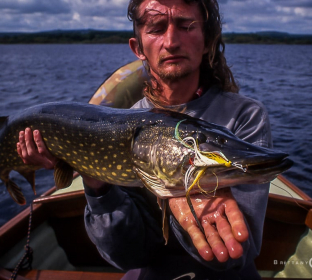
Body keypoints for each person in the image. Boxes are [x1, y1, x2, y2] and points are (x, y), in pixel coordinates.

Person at [17, 0, 272, 279]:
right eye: (157, 28)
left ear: (208, 41)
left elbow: (237, 256)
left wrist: (179, 193)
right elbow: (128, 255)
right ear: (138, 48)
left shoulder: (244, 116)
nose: (172, 41)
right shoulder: (124, 125)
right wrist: (97, 183)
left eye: (187, 26)